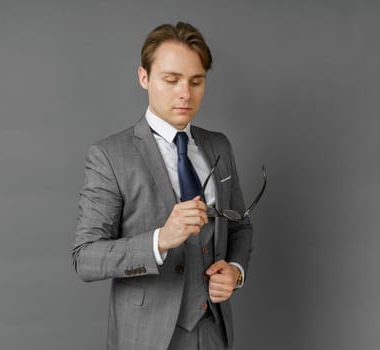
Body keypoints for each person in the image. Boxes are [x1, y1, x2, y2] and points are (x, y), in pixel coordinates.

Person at [72, 21, 253, 350]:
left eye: (196, 81)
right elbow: (85, 258)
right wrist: (159, 241)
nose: (185, 93)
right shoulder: (109, 155)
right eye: (171, 80)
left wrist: (235, 271)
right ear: (144, 77)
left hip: (214, 332)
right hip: (146, 337)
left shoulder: (220, 147)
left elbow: (240, 226)